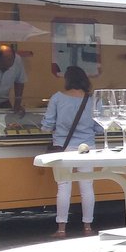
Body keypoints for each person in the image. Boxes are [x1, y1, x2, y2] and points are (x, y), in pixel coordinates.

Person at [42, 66, 101, 237]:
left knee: (63, 186)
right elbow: (99, 128)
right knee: (87, 187)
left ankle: (61, 229)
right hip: (87, 148)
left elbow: (47, 125)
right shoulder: (93, 100)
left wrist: (49, 126)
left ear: (67, 80)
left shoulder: (57, 98)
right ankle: (87, 227)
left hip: (63, 147)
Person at [0, 43, 27, 113]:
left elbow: (19, 82)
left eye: (9, 66)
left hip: (4, 101)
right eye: (3, 66)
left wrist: (17, 104)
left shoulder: (17, 60)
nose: (6, 69)